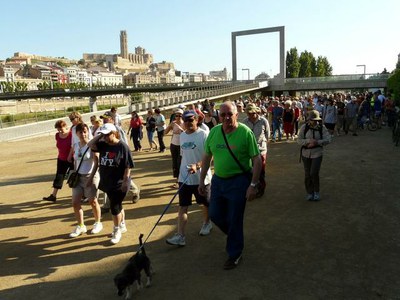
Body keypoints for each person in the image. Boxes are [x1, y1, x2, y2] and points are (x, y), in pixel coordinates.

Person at [199, 101, 262, 270]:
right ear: (218, 116)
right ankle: (235, 236)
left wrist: (253, 184)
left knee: (235, 217)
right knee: (214, 214)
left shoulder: (245, 132)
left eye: (230, 114)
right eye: (223, 115)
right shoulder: (213, 132)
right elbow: (206, 157)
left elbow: (257, 160)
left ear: (236, 114)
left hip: (239, 181)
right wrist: (202, 180)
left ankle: (235, 253)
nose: (227, 118)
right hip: (218, 181)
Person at [166, 110, 213, 246]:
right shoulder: (182, 136)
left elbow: (210, 156)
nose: (188, 123)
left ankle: (207, 223)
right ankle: (180, 236)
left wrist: (197, 166)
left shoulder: (204, 134)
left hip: (201, 178)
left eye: (191, 120)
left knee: (204, 204)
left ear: (197, 120)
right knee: (182, 206)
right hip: (184, 178)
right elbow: (183, 156)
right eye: (186, 120)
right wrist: (180, 174)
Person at [88, 123, 134, 244]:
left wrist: (125, 181)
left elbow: (128, 165)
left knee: (114, 207)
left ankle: (117, 229)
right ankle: (122, 224)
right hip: (107, 181)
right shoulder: (103, 144)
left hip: (118, 182)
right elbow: (90, 145)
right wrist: (99, 135)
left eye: (108, 134)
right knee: (117, 205)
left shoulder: (122, 146)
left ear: (114, 133)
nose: (106, 137)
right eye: (104, 135)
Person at [69, 123, 102, 237]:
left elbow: (97, 162)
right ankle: (81, 225)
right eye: (80, 132)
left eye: (84, 131)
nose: (83, 134)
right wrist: (73, 172)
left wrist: (91, 177)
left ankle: (98, 222)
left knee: (92, 201)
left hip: (90, 176)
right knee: (75, 202)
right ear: (76, 133)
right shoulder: (76, 145)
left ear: (88, 131)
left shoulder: (92, 145)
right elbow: (73, 160)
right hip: (78, 177)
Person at [297, 110, 331, 201]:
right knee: (307, 174)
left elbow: (328, 139)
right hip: (305, 153)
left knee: (314, 173)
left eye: (316, 120)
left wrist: (317, 142)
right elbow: (299, 140)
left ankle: (316, 192)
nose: (315, 121)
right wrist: (308, 141)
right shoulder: (304, 127)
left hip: (317, 153)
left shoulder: (321, 128)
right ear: (309, 119)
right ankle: (309, 192)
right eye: (313, 120)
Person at [242, 103, 270, 198]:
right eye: (248, 113)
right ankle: (252, 188)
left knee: (261, 171)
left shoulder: (263, 121)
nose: (250, 115)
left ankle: (261, 189)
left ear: (256, 112)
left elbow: (267, 134)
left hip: (261, 149)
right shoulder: (244, 122)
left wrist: (263, 144)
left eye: (252, 113)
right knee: (250, 170)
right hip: (249, 151)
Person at [43, 120, 74, 202]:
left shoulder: (71, 135)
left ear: (65, 126)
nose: (60, 131)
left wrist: (70, 156)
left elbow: (73, 146)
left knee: (73, 176)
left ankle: (82, 194)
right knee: (59, 176)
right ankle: (53, 195)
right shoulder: (57, 135)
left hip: (71, 158)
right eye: (58, 129)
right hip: (61, 158)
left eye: (61, 128)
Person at [165, 108, 185, 187]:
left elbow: (188, 133)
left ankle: (181, 180)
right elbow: (165, 132)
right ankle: (177, 180)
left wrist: (181, 130)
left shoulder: (185, 123)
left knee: (180, 162)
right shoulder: (173, 124)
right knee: (174, 163)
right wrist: (170, 126)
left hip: (182, 145)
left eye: (180, 115)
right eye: (177, 115)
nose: (178, 117)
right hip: (174, 145)